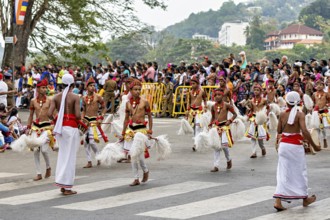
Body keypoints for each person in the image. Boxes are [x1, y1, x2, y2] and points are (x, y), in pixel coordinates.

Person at [274, 91, 321, 211]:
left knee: (283, 173)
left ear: (287, 102)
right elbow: (305, 131)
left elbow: (279, 130)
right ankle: (305, 199)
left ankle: (278, 201)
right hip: (295, 147)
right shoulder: (300, 114)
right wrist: (314, 145)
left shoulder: (282, 114)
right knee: (300, 172)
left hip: (283, 146)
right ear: (298, 101)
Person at [48, 74, 81, 195]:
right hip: (71, 128)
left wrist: (57, 120)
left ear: (62, 84)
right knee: (70, 157)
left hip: (61, 129)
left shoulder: (56, 97)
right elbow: (78, 115)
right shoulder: (75, 97)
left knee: (63, 156)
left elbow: (49, 113)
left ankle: (62, 184)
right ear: (73, 85)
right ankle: (67, 187)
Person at [121, 80, 152, 186]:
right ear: (130, 90)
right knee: (133, 155)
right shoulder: (127, 103)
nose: (138, 91)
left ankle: (145, 170)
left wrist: (150, 130)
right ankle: (136, 178)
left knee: (139, 155)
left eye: (139, 89)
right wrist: (123, 132)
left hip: (141, 131)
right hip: (131, 131)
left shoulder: (145, 102)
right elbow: (126, 119)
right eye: (135, 89)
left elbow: (150, 116)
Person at [27, 79, 54, 181]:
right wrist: (28, 127)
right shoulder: (33, 101)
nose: (45, 89)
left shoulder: (50, 101)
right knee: (35, 151)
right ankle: (38, 173)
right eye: (43, 87)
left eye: (45, 87)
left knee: (44, 150)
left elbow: (54, 115)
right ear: (38, 89)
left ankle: (48, 167)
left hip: (46, 128)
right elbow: (30, 115)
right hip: (36, 127)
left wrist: (55, 127)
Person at [81, 77, 107, 168]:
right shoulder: (84, 98)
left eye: (93, 85)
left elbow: (104, 108)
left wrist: (101, 117)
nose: (92, 87)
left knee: (92, 141)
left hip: (94, 121)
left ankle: (98, 156)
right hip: (86, 121)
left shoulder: (98, 97)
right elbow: (83, 110)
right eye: (91, 85)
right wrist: (82, 118)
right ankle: (89, 161)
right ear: (86, 87)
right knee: (86, 142)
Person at [208, 89, 236, 172]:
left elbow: (235, 114)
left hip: (224, 128)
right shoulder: (213, 106)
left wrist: (230, 120)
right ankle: (216, 165)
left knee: (224, 146)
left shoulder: (227, 105)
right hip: (216, 128)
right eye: (215, 95)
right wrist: (210, 124)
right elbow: (213, 117)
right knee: (216, 147)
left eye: (219, 95)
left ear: (222, 96)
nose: (217, 96)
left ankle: (228, 159)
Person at [245, 84, 269, 158]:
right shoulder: (251, 100)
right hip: (253, 119)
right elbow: (251, 109)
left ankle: (262, 148)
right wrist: (248, 114)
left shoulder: (264, 100)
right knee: (253, 137)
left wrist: (266, 115)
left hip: (261, 120)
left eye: (257, 90)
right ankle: (254, 152)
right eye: (255, 90)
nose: (256, 91)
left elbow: (268, 107)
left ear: (261, 91)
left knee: (260, 138)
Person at [186, 75, 207, 151]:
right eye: (191, 83)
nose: (192, 85)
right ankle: (197, 139)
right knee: (193, 127)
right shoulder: (190, 92)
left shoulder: (202, 92)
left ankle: (195, 143)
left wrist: (205, 106)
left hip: (199, 111)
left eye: (194, 83)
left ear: (197, 84)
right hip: (192, 111)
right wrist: (187, 111)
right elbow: (188, 102)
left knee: (198, 126)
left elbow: (205, 99)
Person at [312, 79, 330, 148]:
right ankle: (318, 141)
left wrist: (326, 106)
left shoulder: (326, 94)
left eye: (320, 85)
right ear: (315, 86)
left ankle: (324, 139)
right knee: (317, 127)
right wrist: (313, 107)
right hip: (316, 112)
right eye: (317, 85)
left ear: (323, 86)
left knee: (322, 127)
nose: (319, 86)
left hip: (323, 112)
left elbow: (329, 102)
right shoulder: (314, 94)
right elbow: (313, 102)